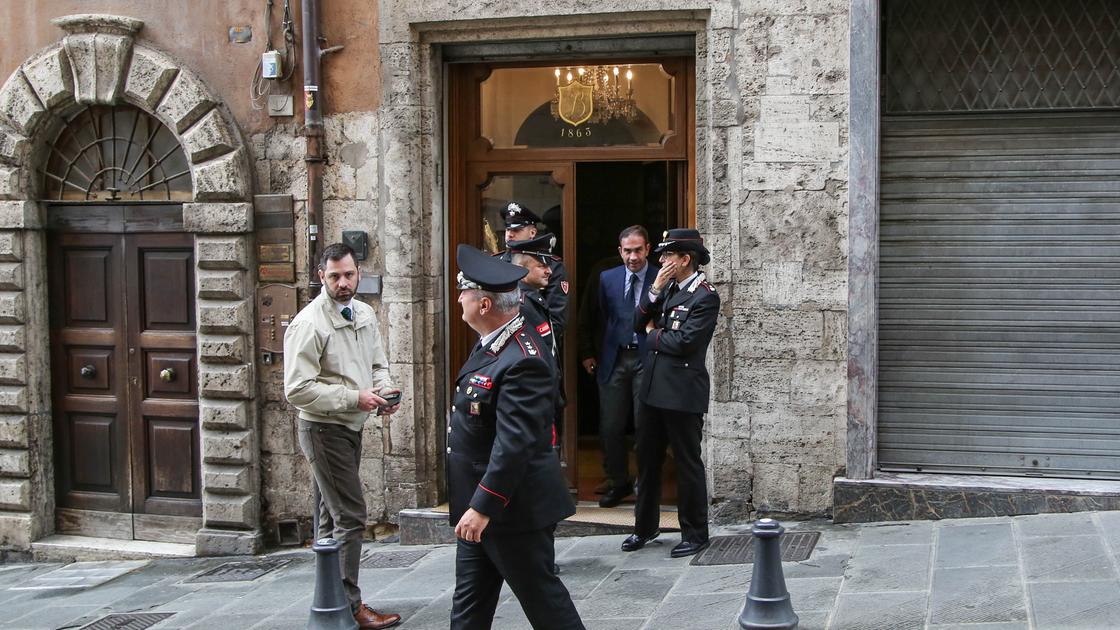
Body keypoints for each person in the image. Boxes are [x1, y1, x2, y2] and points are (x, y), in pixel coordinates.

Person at [448, 244, 584, 630]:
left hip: (510, 509)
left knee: (547, 606)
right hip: (482, 504)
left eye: (465, 292)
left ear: (485, 305)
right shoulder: (494, 341)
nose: (459, 299)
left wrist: (484, 507)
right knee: (469, 608)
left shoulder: (522, 358)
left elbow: (515, 443)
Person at [283, 243, 402, 630]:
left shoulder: (364, 313)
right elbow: (297, 389)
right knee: (350, 517)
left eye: (349, 274)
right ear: (322, 276)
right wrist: (355, 396)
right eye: (334, 276)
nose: (343, 283)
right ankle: (350, 606)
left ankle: (331, 603)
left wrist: (383, 391)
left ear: (358, 273)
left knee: (330, 519)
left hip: (350, 425)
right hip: (322, 429)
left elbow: (377, 364)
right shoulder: (308, 323)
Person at [623, 229, 720, 558]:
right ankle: (644, 527)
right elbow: (636, 322)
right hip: (652, 389)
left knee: (687, 463)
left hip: (681, 393)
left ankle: (695, 532)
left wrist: (653, 335)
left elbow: (686, 343)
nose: (661, 261)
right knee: (647, 461)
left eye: (667, 256)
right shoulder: (665, 289)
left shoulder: (704, 296)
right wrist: (654, 289)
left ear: (685, 260)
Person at [578, 225, 659, 508]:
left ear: (648, 249)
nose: (633, 257)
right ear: (619, 251)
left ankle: (646, 485)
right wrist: (588, 352)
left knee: (645, 425)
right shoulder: (606, 278)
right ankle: (617, 481)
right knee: (610, 426)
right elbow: (597, 316)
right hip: (614, 359)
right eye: (627, 251)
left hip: (646, 359)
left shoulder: (660, 276)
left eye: (638, 250)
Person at [497, 202, 569, 337]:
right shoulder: (496, 262)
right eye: (508, 229)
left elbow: (556, 319)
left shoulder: (552, 266)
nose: (510, 235)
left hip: (536, 344)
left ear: (532, 232)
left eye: (516, 230)